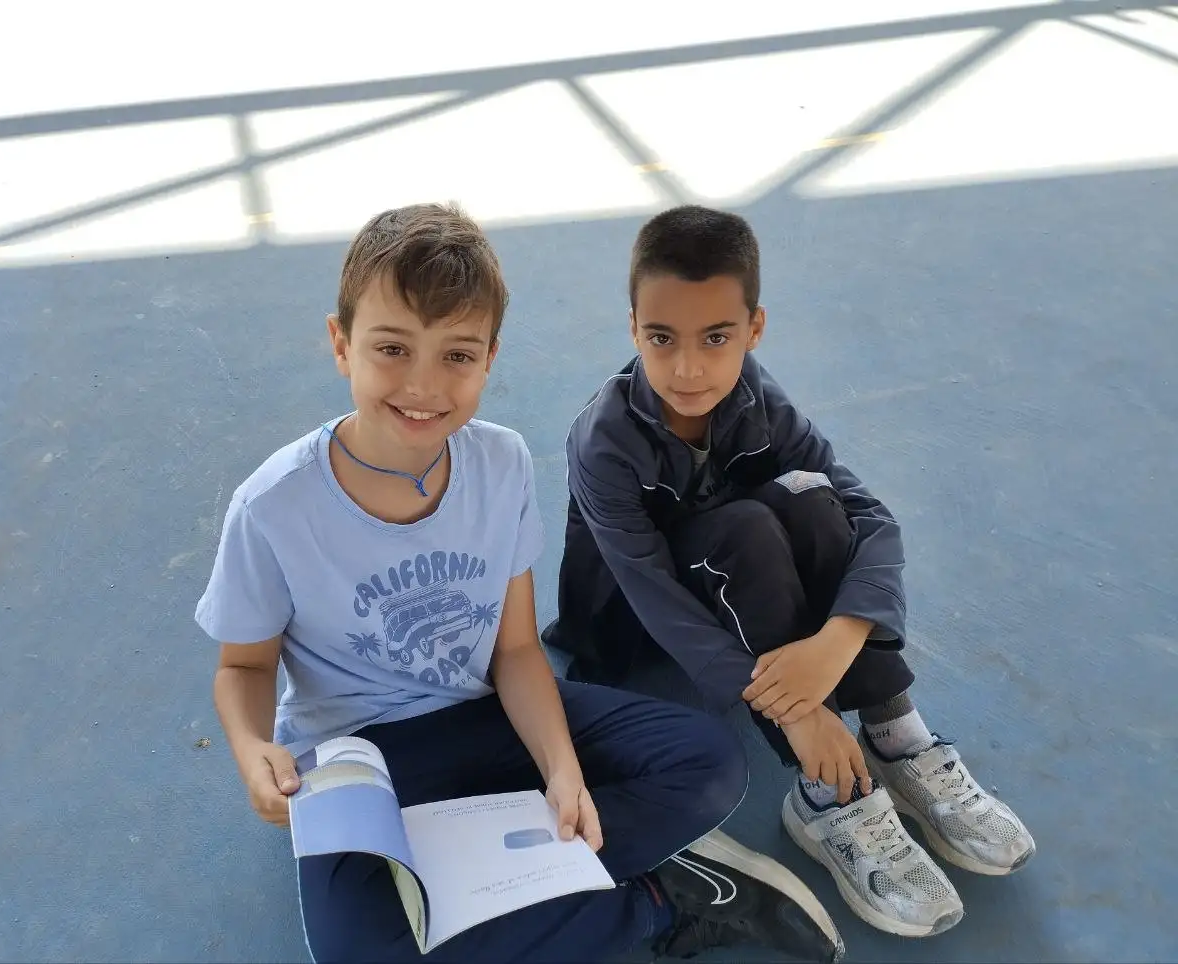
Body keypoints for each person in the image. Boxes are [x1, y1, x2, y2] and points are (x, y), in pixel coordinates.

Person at [194, 202, 843, 963]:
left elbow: (515, 652)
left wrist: (562, 770)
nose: (423, 385)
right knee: (362, 952)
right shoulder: (273, 506)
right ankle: (655, 902)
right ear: (342, 344)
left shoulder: (499, 463)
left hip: (487, 717)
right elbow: (244, 667)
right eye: (393, 349)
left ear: (490, 357)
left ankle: (505, 885)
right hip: (361, 758)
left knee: (709, 763)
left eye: (457, 355)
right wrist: (251, 748)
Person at [543, 204, 1037, 940]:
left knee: (814, 502)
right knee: (744, 527)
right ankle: (825, 794)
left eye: (716, 338)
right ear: (633, 328)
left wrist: (839, 639)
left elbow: (869, 517)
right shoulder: (603, 441)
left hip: (746, 591)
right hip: (639, 633)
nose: (687, 367)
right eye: (661, 338)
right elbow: (654, 598)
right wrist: (800, 712)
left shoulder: (756, 399)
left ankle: (895, 733)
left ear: (754, 329)